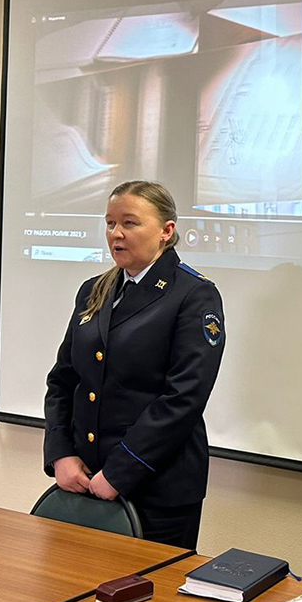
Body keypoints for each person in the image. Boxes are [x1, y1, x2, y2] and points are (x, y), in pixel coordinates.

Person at [43, 181, 225, 550]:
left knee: (149, 587)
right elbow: (64, 380)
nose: (116, 233)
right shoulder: (94, 290)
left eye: (130, 223)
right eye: (110, 223)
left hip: (157, 490)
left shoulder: (193, 294)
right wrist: (61, 453)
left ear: (166, 231)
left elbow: (183, 398)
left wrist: (120, 471)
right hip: (85, 478)